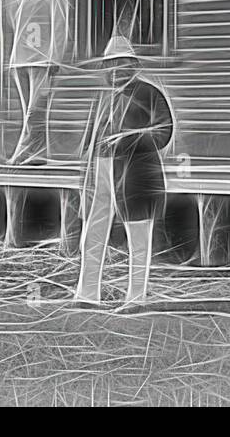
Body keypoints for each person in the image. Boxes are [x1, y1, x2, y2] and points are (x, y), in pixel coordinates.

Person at [74, 34, 174, 308]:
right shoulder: (103, 97)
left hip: (135, 175)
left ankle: (136, 297)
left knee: (138, 239)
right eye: (111, 64)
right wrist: (86, 165)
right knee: (92, 235)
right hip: (102, 172)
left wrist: (129, 138)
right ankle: (87, 294)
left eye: (122, 63)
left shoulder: (148, 93)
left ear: (133, 65)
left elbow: (164, 132)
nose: (117, 70)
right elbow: (91, 137)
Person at [6, 0, 71, 164]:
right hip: (21, 60)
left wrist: (55, 59)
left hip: (43, 62)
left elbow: (60, 29)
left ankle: (21, 153)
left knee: (35, 111)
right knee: (29, 111)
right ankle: (38, 154)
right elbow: (16, 24)